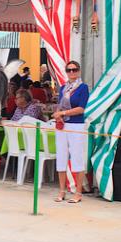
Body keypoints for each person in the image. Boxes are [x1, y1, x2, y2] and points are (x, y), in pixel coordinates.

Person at [52, 60, 90, 204]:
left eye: (74, 70)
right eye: (69, 70)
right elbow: (60, 105)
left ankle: (78, 192)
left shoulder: (83, 88)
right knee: (61, 157)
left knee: (77, 158)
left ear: (79, 71)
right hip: (63, 124)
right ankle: (62, 191)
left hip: (76, 125)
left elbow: (81, 108)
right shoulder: (63, 88)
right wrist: (58, 114)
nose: (72, 72)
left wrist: (64, 113)